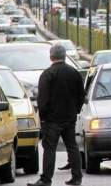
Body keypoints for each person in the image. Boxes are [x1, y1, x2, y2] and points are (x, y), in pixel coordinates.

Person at [27, 44, 85, 186]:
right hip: (69, 118)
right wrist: (75, 110)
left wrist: (43, 118)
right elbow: (81, 95)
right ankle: (77, 177)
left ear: (51, 56)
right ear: (64, 56)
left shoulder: (47, 74)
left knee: (49, 148)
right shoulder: (74, 72)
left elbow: (43, 99)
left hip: (52, 120)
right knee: (72, 146)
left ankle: (46, 179)